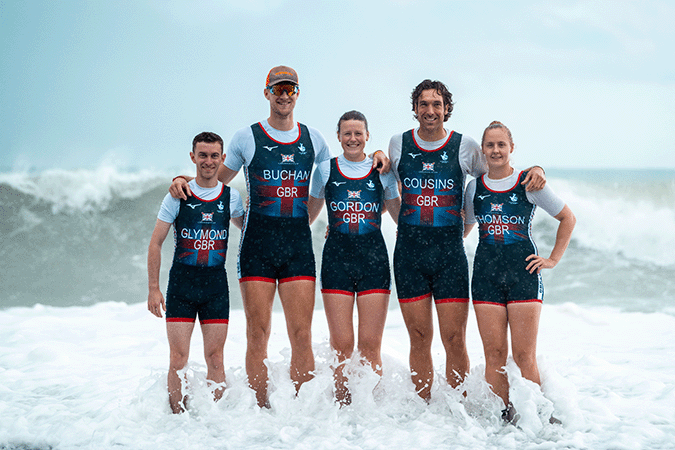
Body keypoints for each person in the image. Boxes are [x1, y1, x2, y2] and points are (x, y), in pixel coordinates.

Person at [169, 66, 389, 408]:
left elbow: (342, 167)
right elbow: (214, 183)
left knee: (301, 335)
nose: (283, 95)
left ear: (297, 93)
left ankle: (300, 409)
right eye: (277, 89)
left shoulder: (314, 139)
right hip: (256, 248)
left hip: (298, 249)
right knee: (258, 334)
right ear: (267, 93)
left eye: (290, 89)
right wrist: (183, 178)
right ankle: (260, 408)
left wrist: (379, 158)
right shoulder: (246, 137)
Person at [388, 80, 546, 401]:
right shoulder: (397, 144)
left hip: (450, 257)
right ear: (415, 108)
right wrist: (400, 221)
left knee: (454, 339)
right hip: (409, 257)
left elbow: (497, 173)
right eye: (424, 104)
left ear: (447, 109)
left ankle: (457, 410)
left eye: (437, 104)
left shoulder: (465, 146)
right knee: (418, 337)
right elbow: (386, 183)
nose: (430, 110)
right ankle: (424, 409)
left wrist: (536, 169)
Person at [463, 121, 575, 423]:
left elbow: (567, 218)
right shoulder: (475, 187)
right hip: (485, 277)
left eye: (501, 144)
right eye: (490, 145)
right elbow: (465, 228)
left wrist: (551, 259)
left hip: (523, 276)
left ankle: (537, 418)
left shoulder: (529, 182)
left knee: (524, 355)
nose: (496, 150)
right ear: (483, 150)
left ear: (511, 148)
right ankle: (504, 423)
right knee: (495, 356)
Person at [307, 111, 401, 406]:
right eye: (347, 133)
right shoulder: (325, 170)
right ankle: (343, 409)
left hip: (373, 260)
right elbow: (307, 216)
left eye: (358, 133)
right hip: (336, 261)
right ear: (338, 137)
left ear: (367, 136)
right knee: (342, 346)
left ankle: (370, 412)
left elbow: (398, 215)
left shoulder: (381, 170)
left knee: (371, 345)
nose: (352, 138)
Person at [147, 132, 244, 414]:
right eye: (203, 155)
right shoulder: (179, 196)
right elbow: (156, 242)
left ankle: (216, 423)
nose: (209, 161)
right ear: (193, 157)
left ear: (223, 158)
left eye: (214, 156)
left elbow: (251, 231)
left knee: (215, 358)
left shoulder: (231, 197)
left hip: (215, 287)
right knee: (178, 358)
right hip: (182, 286)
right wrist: (154, 288)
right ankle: (176, 421)